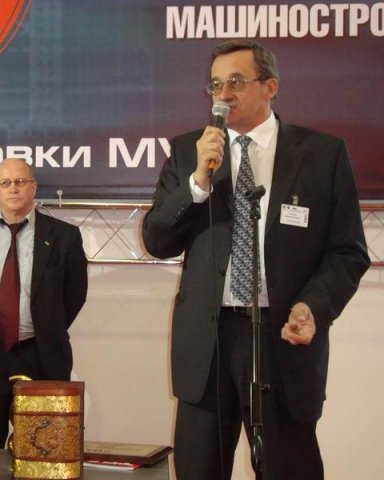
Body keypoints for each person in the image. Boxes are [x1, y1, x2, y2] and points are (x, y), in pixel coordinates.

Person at [142, 40, 370, 480]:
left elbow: (347, 252)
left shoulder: (321, 155)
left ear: (270, 86)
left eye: (236, 82)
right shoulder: (189, 152)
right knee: (198, 469)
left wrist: (313, 306)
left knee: (289, 468)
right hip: (207, 343)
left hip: (281, 336)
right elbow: (157, 240)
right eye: (215, 85)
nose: (223, 95)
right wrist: (197, 183)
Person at [0, 158, 88, 447]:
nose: (13, 188)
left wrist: (47, 326)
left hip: (41, 355)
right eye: (5, 183)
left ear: (33, 187)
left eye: (20, 182)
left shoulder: (64, 236)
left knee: (43, 446)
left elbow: (75, 294)